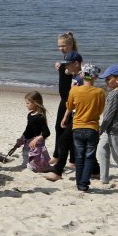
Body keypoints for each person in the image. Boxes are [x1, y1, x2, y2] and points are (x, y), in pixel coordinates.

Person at [61, 63, 105, 192]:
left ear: (82, 74)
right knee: (89, 157)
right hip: (92, 127)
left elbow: (69, 106)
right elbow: (100, 110)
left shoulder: (74, 90)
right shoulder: (99, 92)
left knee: (79, 157)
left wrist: (64, 118)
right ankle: (84, 183)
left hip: (78, 127)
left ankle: (79, 183)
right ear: (95, 77)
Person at [44, 48, 83, 182]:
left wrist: (68, 115)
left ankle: (58, 171)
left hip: (80, 116)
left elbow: (77, 100)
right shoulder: (77, 77)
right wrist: (66, 116)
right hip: (74, 114)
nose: (66, 66)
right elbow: (71, 101)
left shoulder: (80, 79)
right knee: (75, 141)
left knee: (64, 139)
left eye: (68, 64)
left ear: (76, 63)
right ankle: (95, 170)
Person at [19, 91, 51, 171]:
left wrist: (37, 139)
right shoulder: (30, 115)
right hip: (28, 142)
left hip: (36, 144)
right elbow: (28, 129)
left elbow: (47, 132)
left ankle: (44, 167)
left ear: (35, 103)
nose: (26, 105)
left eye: (28, 103)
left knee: (33, 167)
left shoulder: (40, 116)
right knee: (25, 158)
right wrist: (21, 139)